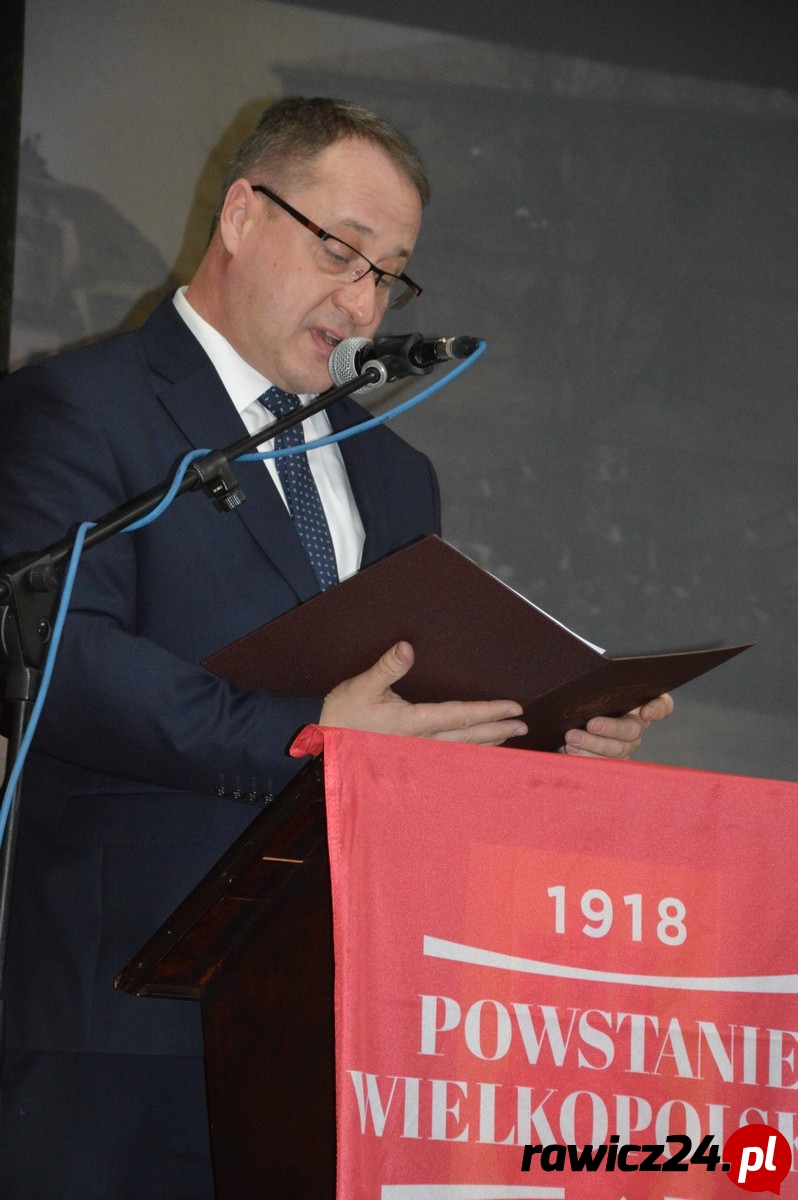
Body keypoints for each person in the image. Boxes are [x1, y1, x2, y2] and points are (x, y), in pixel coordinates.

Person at [0, 97, 672, 1198]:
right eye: (341, 253)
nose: (361, 303)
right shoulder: (79, 408)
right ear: (240, 215)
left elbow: (417, 716)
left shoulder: (396, 473)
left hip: (342, 1031)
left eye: (390, 276)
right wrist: (309, 735)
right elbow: (64, 665)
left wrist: (553, 733)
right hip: (120, 1027)